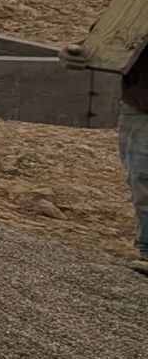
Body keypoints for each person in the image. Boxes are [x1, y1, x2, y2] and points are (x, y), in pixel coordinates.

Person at [62, 38, 148, 276]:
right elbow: (115, 33)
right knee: (143, 178)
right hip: (142, 104)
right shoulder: (138, 10)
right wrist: (82, 50)